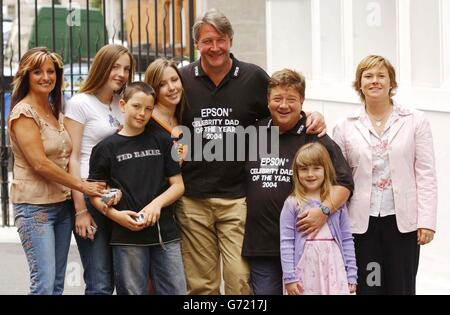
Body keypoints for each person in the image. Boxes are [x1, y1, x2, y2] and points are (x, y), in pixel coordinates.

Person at [177, 9, 325, 294]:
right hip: (192, 199)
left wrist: (312, 115)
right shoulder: (182, 79)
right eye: (207, 41)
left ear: (231, 41)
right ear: (197, 44)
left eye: (221, 40)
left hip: (237, 198)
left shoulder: (254, 77)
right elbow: (159, 114)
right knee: (200, 285)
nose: (215, 48)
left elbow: (281, 106)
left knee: (240, 280)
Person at [242, 69, 354, 294]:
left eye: (291, 99)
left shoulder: (314, 135)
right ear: (268, 100)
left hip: (306, 248)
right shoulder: (252, 134)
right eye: (277, 99)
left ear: (302, 101)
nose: (283, 105)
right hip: (264, 246)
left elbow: (345, 183)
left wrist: (324, 210)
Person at [332, 55, 437, 295]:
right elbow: (339, 179)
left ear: (392, 83)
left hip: (403, 222)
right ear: (359, 84)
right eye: (368, 76)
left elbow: (426, 173)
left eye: (381, 76)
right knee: (370, 284)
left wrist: (426, 221)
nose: (375, 81)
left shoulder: (415, 121)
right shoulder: (345, 126)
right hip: (362, 224)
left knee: (401, 286)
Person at [8, 47, 103, 294]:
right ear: (26, 75)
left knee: (57, 284)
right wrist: (81, 185)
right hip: (34, 209)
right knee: (44, 283)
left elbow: (67, 155)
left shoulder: (53, 109)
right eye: (37, 72)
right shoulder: (23, 113)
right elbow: (39, 163)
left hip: (61, 207)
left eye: (50, 71)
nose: (46, 77)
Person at [88, 82, 186, 295]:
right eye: (136, 106)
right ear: (122, 105)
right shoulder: (105, 149)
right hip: (126, 237)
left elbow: (178, 186)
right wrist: (116, 215)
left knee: (176, 291)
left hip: (165, 235)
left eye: (148, 108)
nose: (142, 113)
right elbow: (95, 195)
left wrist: (156, 205)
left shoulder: (162, 141)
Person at [64, 44, 134, 294]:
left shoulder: (122, 103)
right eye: (115, 66)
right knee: (100, 280)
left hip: (117, 196)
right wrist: (80, 210)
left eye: (126, 69)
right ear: (102, 67)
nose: (121, 73)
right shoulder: (80, 103)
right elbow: (72, 158)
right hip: (89, 194)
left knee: (124, 277)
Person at [280, 142, 357, 295]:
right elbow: (286, 242)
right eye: (304, 169)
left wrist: (351, 275)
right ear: (296, 172)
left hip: (334, 268)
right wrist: (289, 277)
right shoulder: (292, 203)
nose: (310, 174)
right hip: (305, 271)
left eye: (316, 168)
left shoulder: (336, 204)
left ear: (326, 170)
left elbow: (347, 239)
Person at [144, 58, 188, 163]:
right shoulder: (146, 121)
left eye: (174, 79)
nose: (172, 88)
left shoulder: (184, 115)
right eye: (162, 84)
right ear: (152, 88)